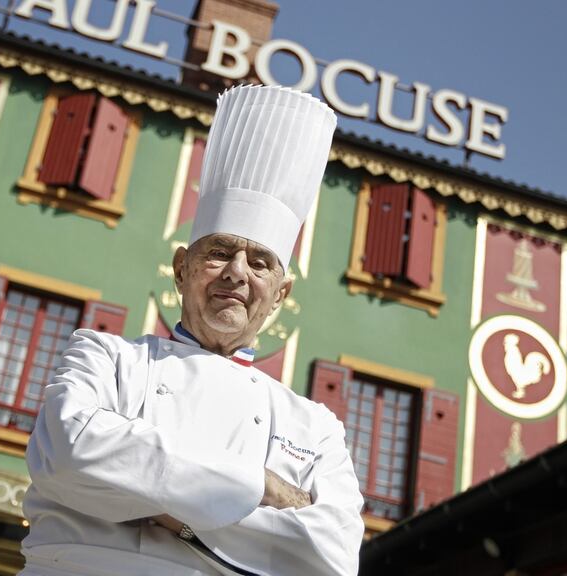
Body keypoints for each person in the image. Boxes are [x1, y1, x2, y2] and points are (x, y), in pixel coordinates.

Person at [20, 85, 364, 576]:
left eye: (260, 262)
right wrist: (256, 485)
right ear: (182, 268)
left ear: (281, 293)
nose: (237, 273)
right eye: (220, 252)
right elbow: (68, 452)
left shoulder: (317, 427)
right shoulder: (106, 356)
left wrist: (162, 504)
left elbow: (331, 557)